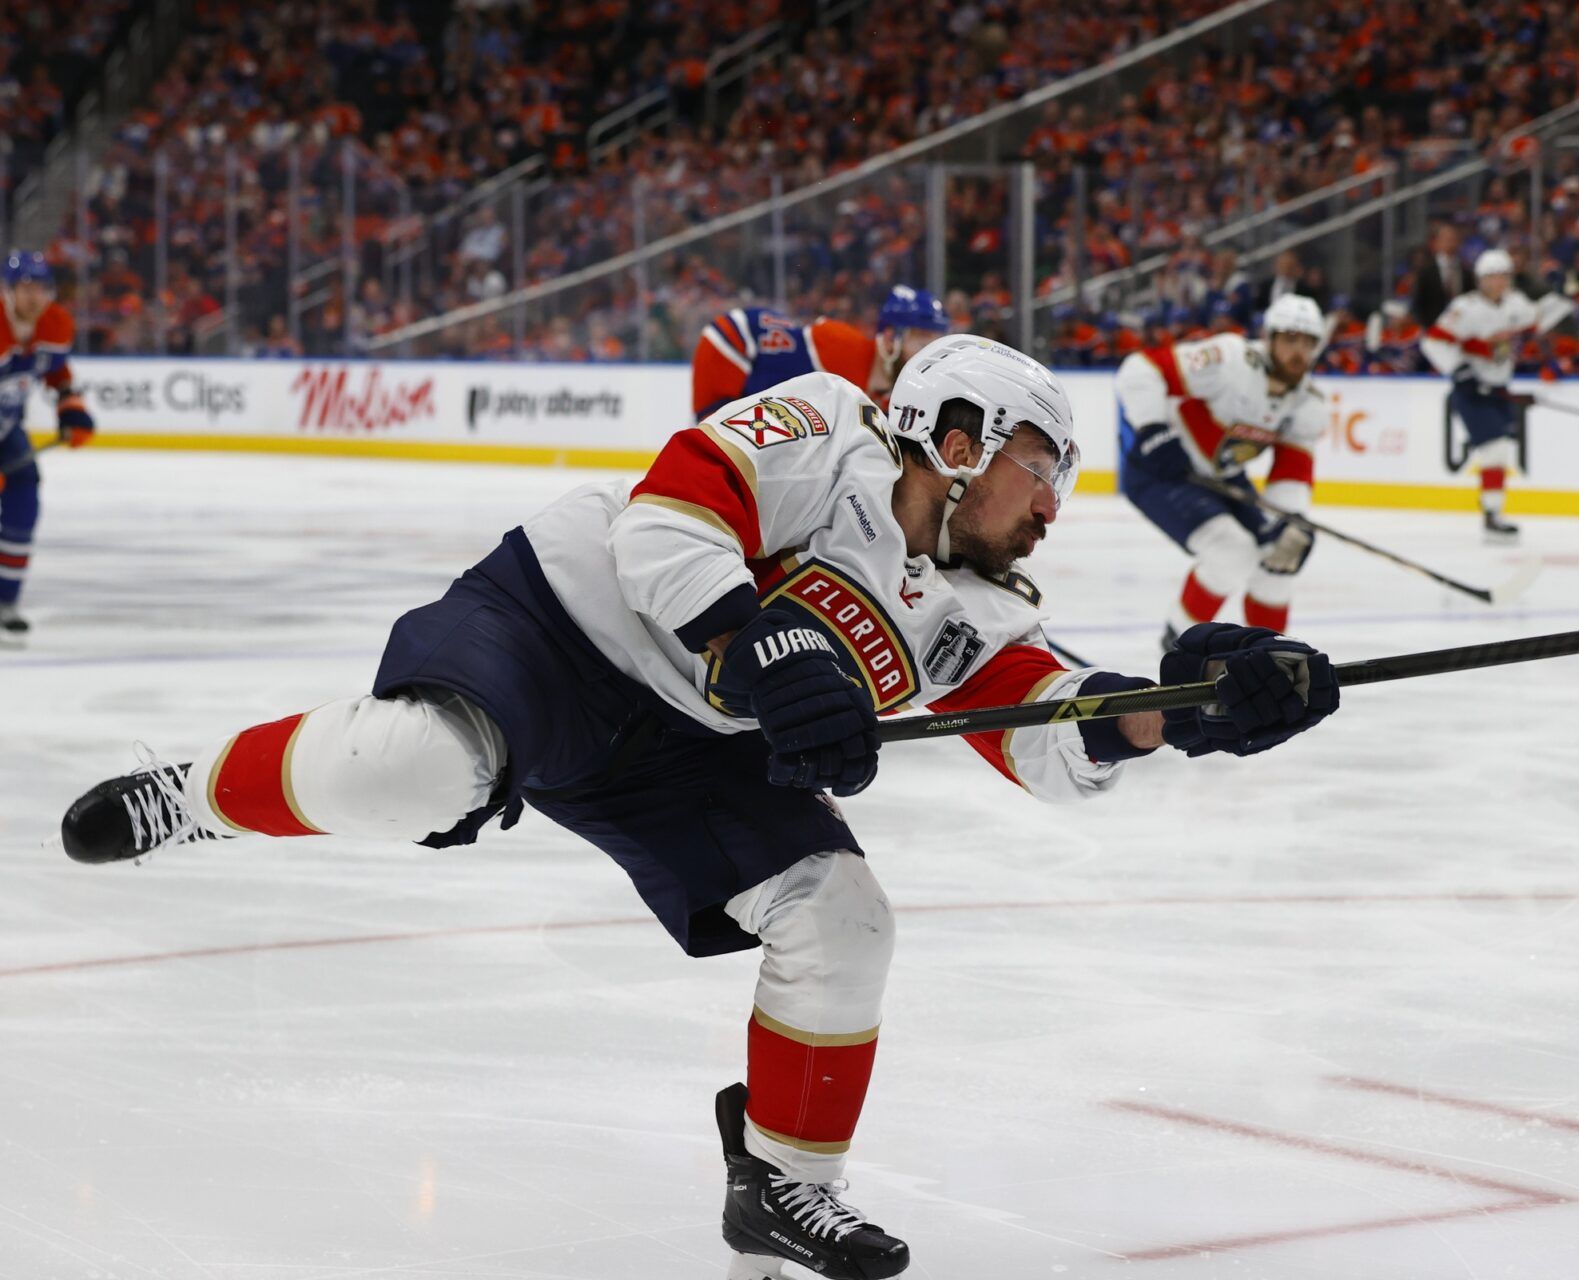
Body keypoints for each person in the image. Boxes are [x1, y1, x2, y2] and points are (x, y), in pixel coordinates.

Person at [58, 335, 1340, 1280]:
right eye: (1040, 467)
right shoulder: (829, 424)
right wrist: (754, 638)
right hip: (565, 624)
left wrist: (1184, 707)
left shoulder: (981, 607)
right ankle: (194, 796)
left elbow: (1048, 725)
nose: (1055, 504)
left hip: (692, 749)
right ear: (958, 441)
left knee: (843, 915)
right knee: (416, 768)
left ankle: (782, 1190)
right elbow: (671, 514)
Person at [1115, 294, 1330, 645]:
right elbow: (1141, 368)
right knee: (1231, 552)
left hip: (1222, 478)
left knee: (1279, 560)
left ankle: (1269, 656)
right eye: (1291, 339)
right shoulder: (1230, 359)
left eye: (1308, 343)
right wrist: (1152, 428)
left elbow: (1291, 470)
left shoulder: (1309, 402)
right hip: (1162, 472)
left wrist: (1289, 522)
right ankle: (1178, 645)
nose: (1299, 352)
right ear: (1270, 337)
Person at [0, 249, 96, 646]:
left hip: (6, 429)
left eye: (42, 287)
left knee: (24, 494)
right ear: (7, 290)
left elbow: (56, 371)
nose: (35, 296)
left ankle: (5, 601)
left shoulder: (55, 323)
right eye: (26, 287)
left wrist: (70, 405)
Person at [1420, 248, 1540, 542]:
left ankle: (1493, 512)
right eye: (1492, 277)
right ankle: (1492, 514)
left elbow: (1537, 323)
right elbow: (1433, 342)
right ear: (1480, 280)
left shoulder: (1517, 304)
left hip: (1499, 388)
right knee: (1495, 449)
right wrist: (1460, 371)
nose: (1498, 282)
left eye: (1503, 276)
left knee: (1500, 451)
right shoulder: (1465, 308)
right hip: (1471, 390)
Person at [692, 286, 950, 421]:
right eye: (922, 342)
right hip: (729, 350)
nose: (929, 356)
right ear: (891, 337)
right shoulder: (846, 350)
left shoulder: (877, 387)